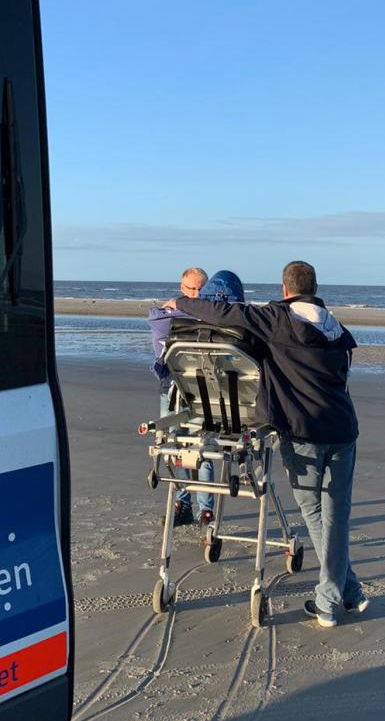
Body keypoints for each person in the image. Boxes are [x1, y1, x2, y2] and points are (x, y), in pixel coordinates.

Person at [168, 260, 365, 626]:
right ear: (315, 287)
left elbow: (226, 311)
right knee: (335, 517)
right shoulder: (338, 329)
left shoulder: (278, 320)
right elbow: (342, 377)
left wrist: (181, 304)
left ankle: (329, 602)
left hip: (305, 433)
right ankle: (347, 590)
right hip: (343, 430)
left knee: (315, 515)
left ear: (285, 290)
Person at [148, 269, 244, 526]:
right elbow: (158, 333)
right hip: (172, 389)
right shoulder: (168, 316)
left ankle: (206, 509)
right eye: (191, 290)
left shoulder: (211, 313)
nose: (197, 295)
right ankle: (182, 503)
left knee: (204, 449)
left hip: (206, 390)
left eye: (202, 290)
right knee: (177, 449)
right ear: (182, 287)